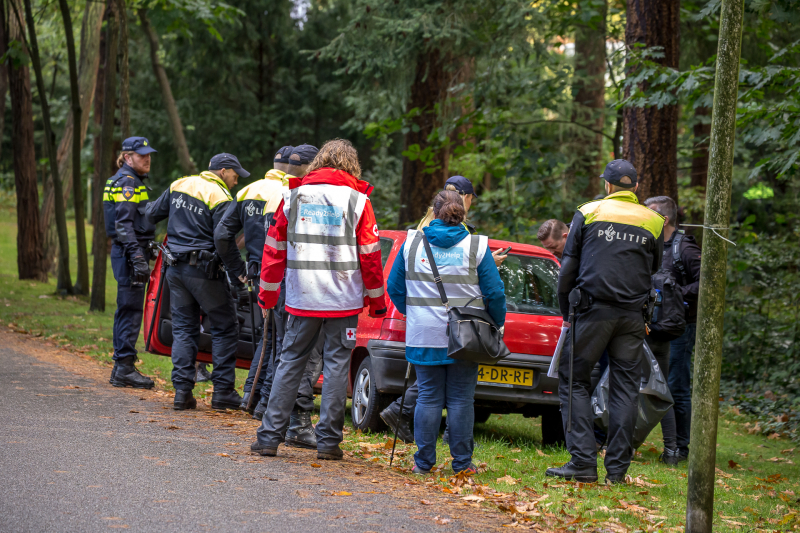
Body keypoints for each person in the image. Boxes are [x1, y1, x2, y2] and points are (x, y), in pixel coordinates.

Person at [251, 139, 387, 460]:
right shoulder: (358, 201)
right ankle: (328, 443)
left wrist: (267, 295)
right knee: (337, 365)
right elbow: (370, 255)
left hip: (302, 298)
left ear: (319, 162)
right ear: (352, 165)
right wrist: (376, 302)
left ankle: (269, 437)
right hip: (343, 301)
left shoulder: (293, 197)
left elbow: (274, 249)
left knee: (290, 362)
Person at [546, 159, 664, 484]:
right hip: (632, 316)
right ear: (635, 187)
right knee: (625, 388)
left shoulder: (589, 212)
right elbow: (654, 267)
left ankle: (583, 462)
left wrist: (565, 311)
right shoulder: (654, 220)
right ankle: (617, 471)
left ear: (608, 185)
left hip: (592, 312)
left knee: (574, 380)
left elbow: (568, 268)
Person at [379, 175, 507, 444]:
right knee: (461, 399)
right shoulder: (476, 245)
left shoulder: (412, 242)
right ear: (462, 210)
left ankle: (424, 460)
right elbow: (495, 292)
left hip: (423, 332)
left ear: (434, 212)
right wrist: (495, 323)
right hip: (466, 334)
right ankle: (461, 461)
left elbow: (394, 287)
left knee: (427, 396)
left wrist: (412, 312)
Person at [145, 153, 249, 411]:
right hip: (204, 273)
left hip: (175, 270)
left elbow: (151, 213)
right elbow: (223, 240)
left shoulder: (179, 184)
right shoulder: (220, 196)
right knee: (226, 326)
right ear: (223, 171)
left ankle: (182, 393)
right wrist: (239, 275)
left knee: (184, 328)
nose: (236, 181)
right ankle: (223, 392)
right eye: (235, 175)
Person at [214, 145, 293, 411]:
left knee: (267, 335)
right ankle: (265, 402)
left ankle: (251, 395)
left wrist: (238, 269)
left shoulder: (249, 190)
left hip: (257, 273)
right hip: (282, 273)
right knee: (282, 339)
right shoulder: (291, 192)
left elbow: (222, 235)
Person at [644, 195, 701, 464]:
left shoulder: (684, 248)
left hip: (679, 329)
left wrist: (674, 295)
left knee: (675, 386)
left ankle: (680, 448)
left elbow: (706, 283)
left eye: (649, 213)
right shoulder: (650, 245)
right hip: (651, 327)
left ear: (664, 219)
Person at [104, 137, 158, 389]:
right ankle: (124, 367)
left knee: (126, 308)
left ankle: (121, 366)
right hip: (129, 253)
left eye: (148, 154)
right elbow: (123, 224)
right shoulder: (128, 182)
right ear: (127, 157)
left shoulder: (124, 179)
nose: (147, 159)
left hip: (127, 251)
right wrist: (137, 256)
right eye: (141, 155)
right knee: (130, 309)